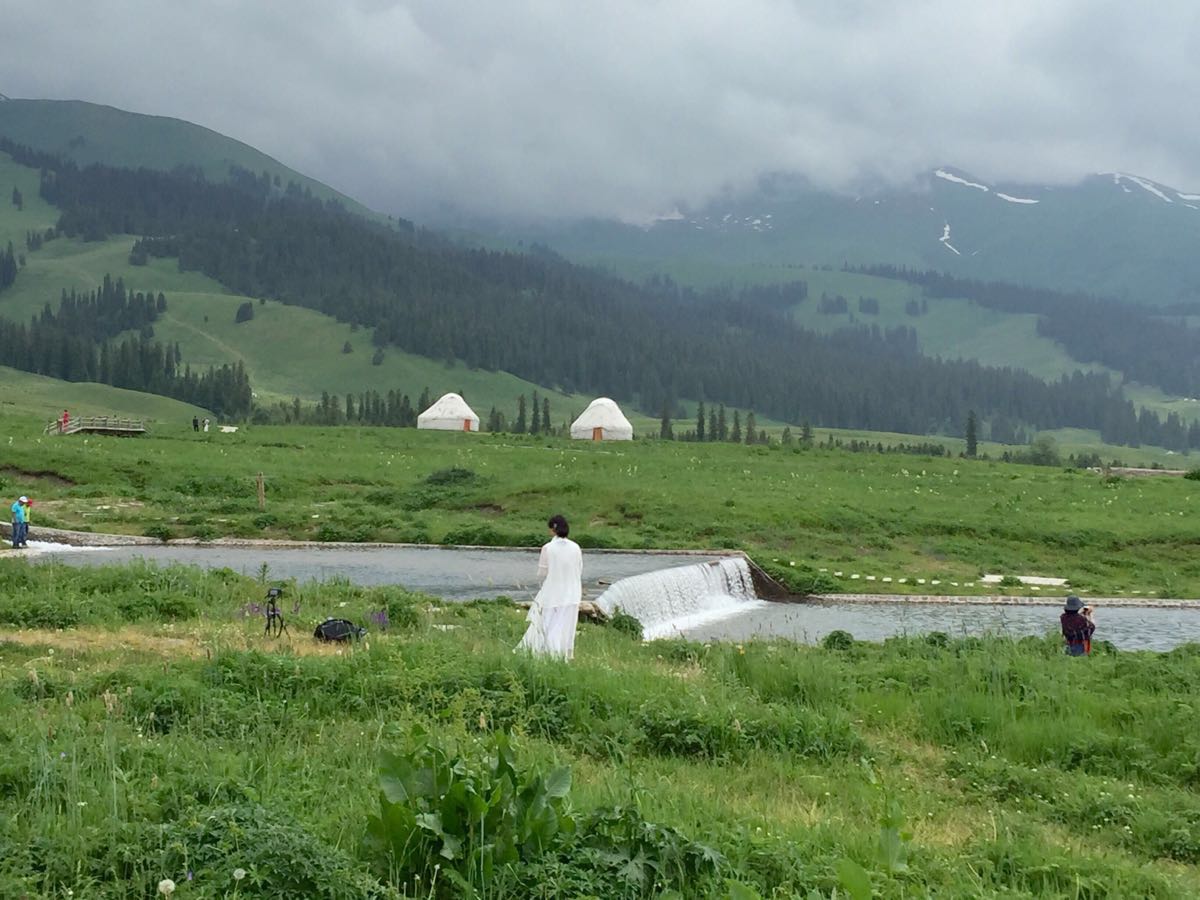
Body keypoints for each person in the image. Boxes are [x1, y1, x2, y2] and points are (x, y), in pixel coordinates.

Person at [517, 514, 583, 659]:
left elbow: (542, 573)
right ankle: (562, 654)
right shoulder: (576, 547)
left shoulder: (548, 548)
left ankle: (548, 652)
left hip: (553, 591)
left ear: (553, 529)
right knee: (565, 624)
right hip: (572, 592)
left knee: (547, 622)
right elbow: (579, 569)